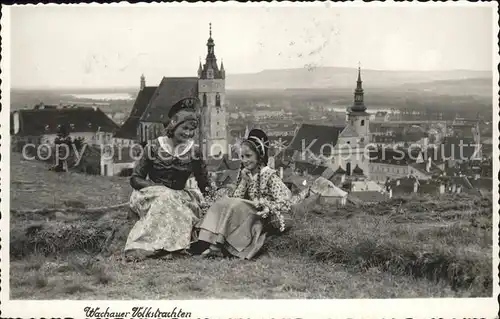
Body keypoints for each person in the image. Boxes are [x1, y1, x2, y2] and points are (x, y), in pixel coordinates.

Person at [124, 97, 213, 261]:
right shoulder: (153, 147)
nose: (188, 133)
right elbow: (135, 178)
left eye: (192, 130)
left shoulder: (194, 151)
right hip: (151, 196)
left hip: (180, 196)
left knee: (175, 204)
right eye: (184, 128)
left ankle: (172, 247)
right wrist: (158, 189)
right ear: (173, 124)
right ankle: (149, 247)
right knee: (165, 200)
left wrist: (213, 202)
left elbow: (204, 182)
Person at [196, 129, 293, 260]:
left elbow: (285, 200)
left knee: (234, 204)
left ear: (258, 156)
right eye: (242, 157)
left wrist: (267, 206)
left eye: (248, 156)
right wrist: (244, 181)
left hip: (259, 216)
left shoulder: (269, 174)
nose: (244, 161)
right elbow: (237, 197)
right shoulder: (247, 174)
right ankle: (210, 242)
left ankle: (217, 247)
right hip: (246, 213)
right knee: (223, 202)